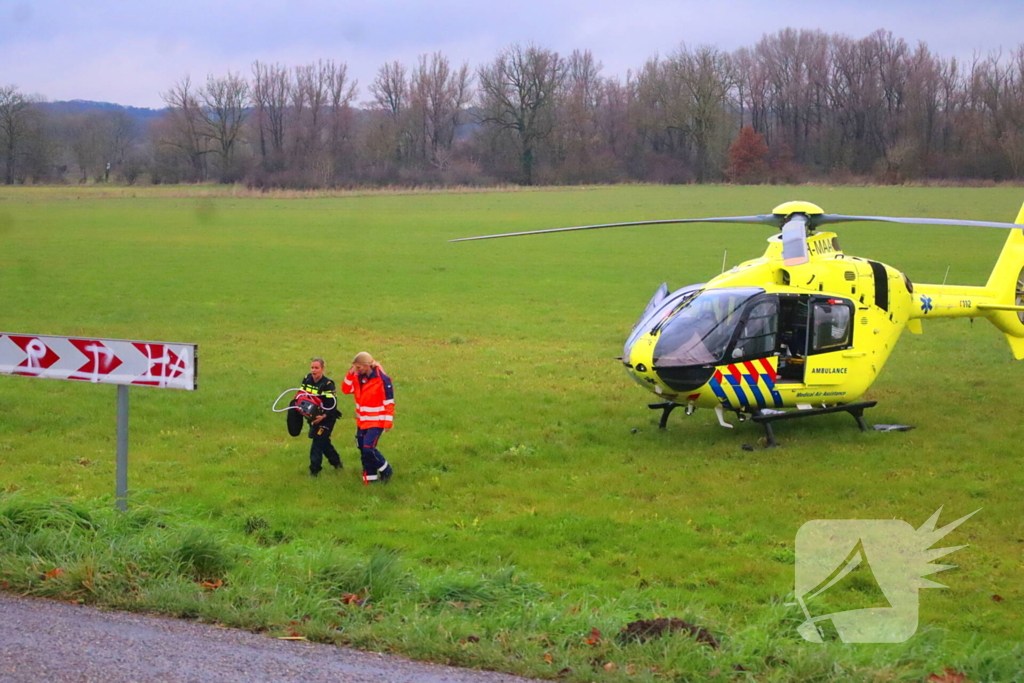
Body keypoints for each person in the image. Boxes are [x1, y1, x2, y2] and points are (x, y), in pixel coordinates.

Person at [342, 352, 394, 484]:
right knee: (362, 449)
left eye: (358, 368)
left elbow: (389, 402)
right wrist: (350, 372)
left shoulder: (382, 380)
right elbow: (346, 389)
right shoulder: (358, 377)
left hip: (377, 421)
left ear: (366, 366)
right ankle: (370, 479)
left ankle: (385, 469)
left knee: (368, 448)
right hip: (362, 421)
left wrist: (388, 422)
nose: (357, 370)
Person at [302, 357, 343, 476]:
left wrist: (323, 416)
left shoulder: (328, 384)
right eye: (312, 368)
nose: (314, 370)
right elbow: (301, 396)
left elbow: (332, 405)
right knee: (324, 442)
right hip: (313, 417)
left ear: (322, 369)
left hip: (327, 418)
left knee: (317, 443)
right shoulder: (307, 379)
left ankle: (314, 471)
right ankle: (337, 463)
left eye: (316, 368)